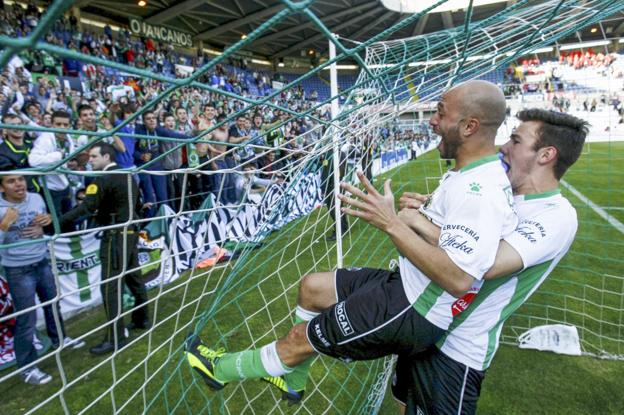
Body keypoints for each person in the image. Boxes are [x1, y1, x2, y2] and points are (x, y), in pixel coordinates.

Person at [184, 80, 517, 404]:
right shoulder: (466, 176)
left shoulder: (480, 191)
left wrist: (391, 223)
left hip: (414, 309)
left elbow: (459, 278)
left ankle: (219, 370)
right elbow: (458, 243)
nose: (431, 120)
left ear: (469, 126)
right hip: (406, 284)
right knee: (313, 287)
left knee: (301, 340)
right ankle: (293, 378)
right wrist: (420, 218)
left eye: (440, 114)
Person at [392, 109, 588, 415]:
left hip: (457, 350)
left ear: (546, 154)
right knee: (404, 405)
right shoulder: (497, 190)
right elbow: (453, 232)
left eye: (515, 140)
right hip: (424, 321)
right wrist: (428, 209)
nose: (503, 147)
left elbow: (483, 264)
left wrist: (419, 223)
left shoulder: (556, 216)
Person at [59, 143, 149, 355]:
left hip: (115, 236)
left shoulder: (103, 179)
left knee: (110, 287)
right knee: (134, 278)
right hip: (130, 232)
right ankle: (141, 318)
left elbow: (86, 207)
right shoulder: (128, 176)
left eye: (93, 156)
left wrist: (55, 222)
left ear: (107, 157)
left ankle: (115, 337)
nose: (90, 160)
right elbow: (138, 204)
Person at [0, 174, 85, 385]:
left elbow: (48, 221)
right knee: (26, 320)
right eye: (11, 181)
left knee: (52, 304)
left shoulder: (36, 198)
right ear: (2, 188)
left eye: (20, 179)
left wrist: (46, 222)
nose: (19, 184)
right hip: (18, 269)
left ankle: (60, 340)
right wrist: (4, 225)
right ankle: (27, 369)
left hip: (41, 261)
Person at [28, 110, 75, 218]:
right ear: (52, 124)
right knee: (55, 221)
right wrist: (58, 155)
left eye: (65, 124)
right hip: (50, 188)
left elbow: (66, 159)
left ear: (69, 126)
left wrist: (70, 164)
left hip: (64, 185)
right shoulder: (45, 138)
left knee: (67, 217)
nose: (62, 127)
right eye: (58, 124)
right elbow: (33, 161)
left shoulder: (69, 139)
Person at [0, 113, 39, 193]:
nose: (17, 127)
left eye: (19, 124)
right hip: (21, 195)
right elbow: (11, 177)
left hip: (42, 190)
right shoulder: (2, 152)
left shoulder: (32, 143)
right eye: (12, 125)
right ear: (5, 130)